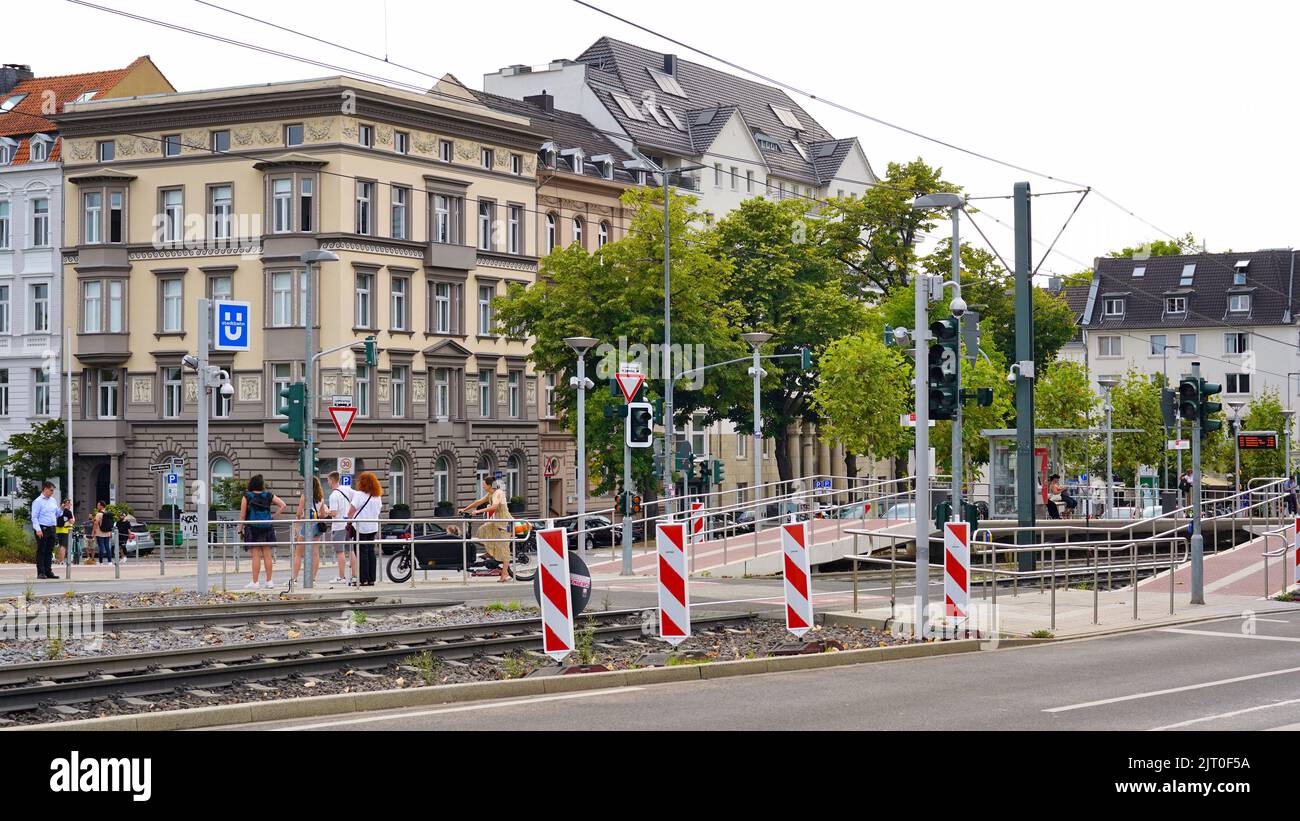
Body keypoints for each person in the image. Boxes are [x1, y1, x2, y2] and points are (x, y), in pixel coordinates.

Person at [239, 474, 287, 589]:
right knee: (267, 555)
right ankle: (269, 581)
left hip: (252, 527)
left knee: (255, 555)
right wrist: (273, 516)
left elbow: (242, 515)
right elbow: (283, 505)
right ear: (262, 485)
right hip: (267, 527)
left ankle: (255, 582)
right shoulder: (268, 495)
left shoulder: (247, 496)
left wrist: (240, 529)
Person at [461, 477, 512, 582]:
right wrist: (465, 509)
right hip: (496, 521)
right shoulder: (490, 494)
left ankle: (505, 573)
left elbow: (494, 507)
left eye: (484, 484)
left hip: (505, 522)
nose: (483, 486)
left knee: (504, 548)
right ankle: (490, 551)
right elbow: (478, 502)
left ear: (489, 485)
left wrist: (478, 512)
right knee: (482, 530)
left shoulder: (498, 493)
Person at [347, 472, 383, 587]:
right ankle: (371, 579)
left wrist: (349, 521)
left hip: (360, 527)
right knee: (371, 552)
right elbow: (378, 511)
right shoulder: (377, 496)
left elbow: (350, 511)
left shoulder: (359, 495)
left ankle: (363, 579)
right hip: (373, 527)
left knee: (361, 553)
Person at [292, 477, 327, 586]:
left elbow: (298, 513)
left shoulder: (304, 496)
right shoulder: (321, 497)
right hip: (317, 526)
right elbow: (322, 515)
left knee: (298, 553)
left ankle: (294, 579)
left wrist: (299, 519)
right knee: (315, 553)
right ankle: (313, 579)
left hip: (307, 526)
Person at [323, 472, 355, 585]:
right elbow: (356, 498)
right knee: (351, 550)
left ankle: (342, 577)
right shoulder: (346, 489)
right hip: (348, 524)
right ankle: (355, 576)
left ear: (332, 480)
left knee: (340, 552)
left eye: (328, 480)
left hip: (339, 525)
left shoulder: (333, 495)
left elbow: (334, 513)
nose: (327, 483)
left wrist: (326, 511)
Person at [30, 481, 59, 579]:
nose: (52, 492)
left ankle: (48, 571)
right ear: (45, 489)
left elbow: (57, 514)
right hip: (42, 528)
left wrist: (62, 509)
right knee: (42, 550)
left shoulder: (53, 500)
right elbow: (34, 517)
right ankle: (41, 572)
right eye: (51, 490)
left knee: (49, 550)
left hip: (52, 527)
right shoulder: (38, 501)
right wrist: (38, 529)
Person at [55, 499, 74, 565]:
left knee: (60, 545)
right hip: (65, 530)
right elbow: (71, 521)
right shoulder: (68, 511)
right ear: (67, 504)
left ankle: (58, 559)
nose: (70, 505)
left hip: (58, 529)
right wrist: (72, 521)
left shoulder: (59, 510)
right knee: (63, 546)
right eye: (69, 504)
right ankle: (61, 560)